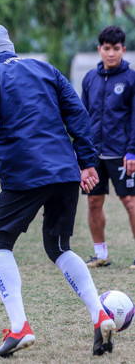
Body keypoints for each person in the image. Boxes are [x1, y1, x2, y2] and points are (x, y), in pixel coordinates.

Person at [0, 23, 117, 357]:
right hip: (65, 172)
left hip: (24, 175)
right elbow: (77, 113)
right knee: (59, 247)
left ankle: (19, 326)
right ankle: (99, 314)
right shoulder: (44, 69)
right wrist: (86, 162)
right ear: (9, 44)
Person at [80, 25, 135, 269]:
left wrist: (132, 151)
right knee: (94, 202)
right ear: (99, 50)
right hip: (94, 154)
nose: (111, 53)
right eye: (106, 48)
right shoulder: (90, 79)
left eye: (116, 48)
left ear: (123, 49)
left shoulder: (131, 79)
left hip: (122, 153)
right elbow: (82, 117)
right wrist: (82, 152)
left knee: (130, 202)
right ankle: (100, 254)